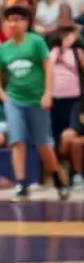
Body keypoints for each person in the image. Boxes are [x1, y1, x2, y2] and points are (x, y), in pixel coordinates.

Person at [0, 6, 71, 199]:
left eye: (18, 19)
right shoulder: (3, 49)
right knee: (17, 141)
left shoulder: (36, 42)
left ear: (26, 22)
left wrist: (48, 93)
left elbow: (48, 68)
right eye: (10, 20)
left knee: (43, 144)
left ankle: (58, 178)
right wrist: (1, 93)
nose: (14, 23)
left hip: (37, 101)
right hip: (14, 100)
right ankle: (21, 184)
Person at [50, 27, 83, 181]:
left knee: (69, 134)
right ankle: (60, 170)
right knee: (57, 137)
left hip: (74, 99)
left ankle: (74, 170)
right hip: (55, 99)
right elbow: (47, 70)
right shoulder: (52, 52)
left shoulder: (78, 52)